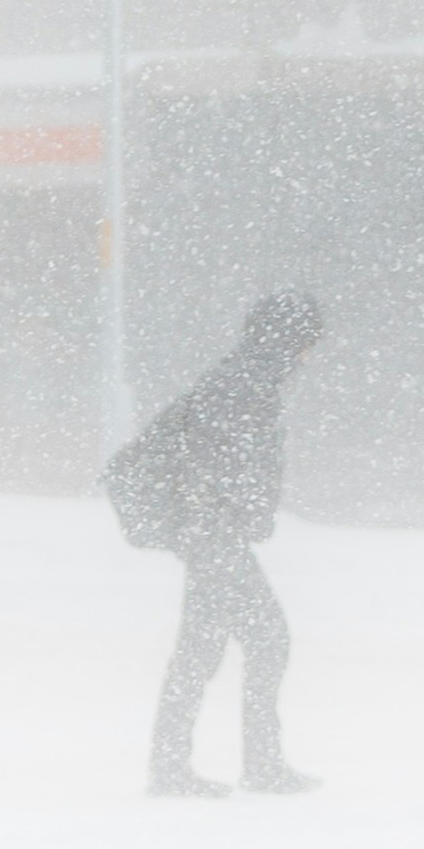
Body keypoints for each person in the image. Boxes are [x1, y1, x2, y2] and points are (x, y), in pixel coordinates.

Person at [107, 291, 324, 795]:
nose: (309, 355)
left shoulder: (245, 377)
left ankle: (173, 769)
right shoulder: (244, 383)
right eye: (307, 342)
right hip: (212, 532)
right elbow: (216, 460)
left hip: (207, 530)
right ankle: (258, 766)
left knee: (200, 650)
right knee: (267, 640)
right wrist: (239, 510)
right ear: (287, 338)